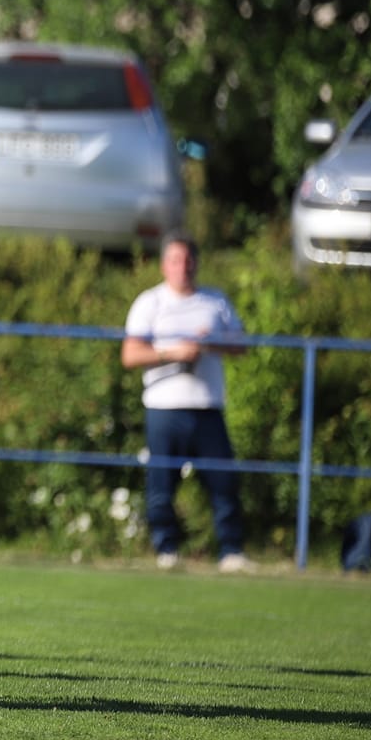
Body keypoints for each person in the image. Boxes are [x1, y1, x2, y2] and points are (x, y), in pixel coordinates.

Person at [120, 234, 249, 572]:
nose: (183, 267)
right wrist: (173, 352)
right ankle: (167, 550)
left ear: (197, 262)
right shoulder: (150, 303)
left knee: (223, 483)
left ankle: (231, 552)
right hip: (164, 408)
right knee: (161, 485)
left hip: (207, 406)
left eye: (188, 260)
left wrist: (212, 343)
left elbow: (241, 345)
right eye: (175, 260)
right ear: (164, 265)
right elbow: (131, 354)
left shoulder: (215, 301)